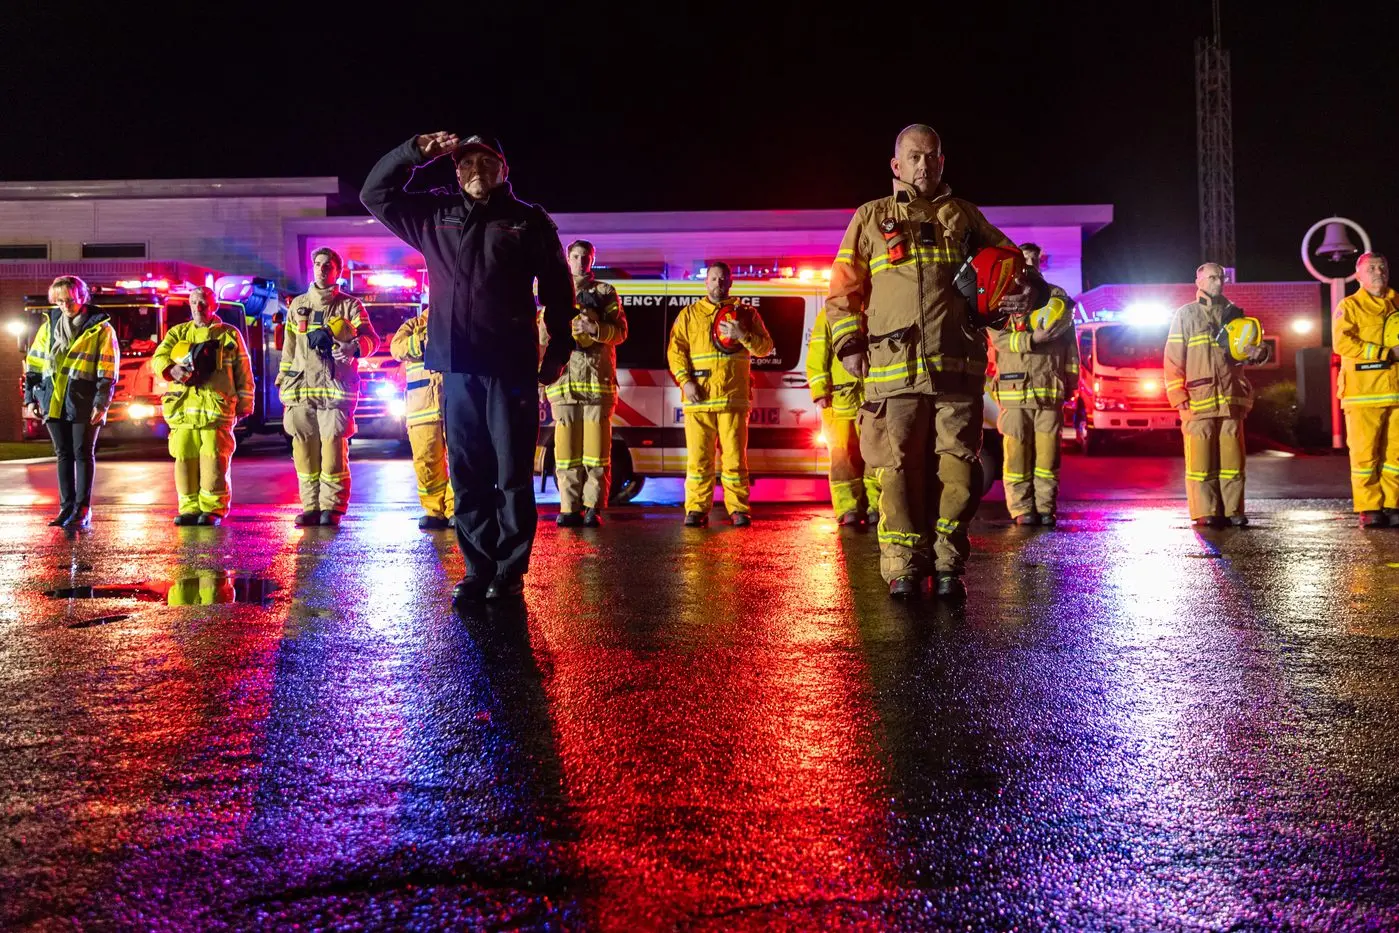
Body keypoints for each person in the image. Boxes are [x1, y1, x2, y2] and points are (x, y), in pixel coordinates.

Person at [361, 131, 575, 603]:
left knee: (512, 473)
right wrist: (413, 153)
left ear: (504, 169)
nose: (476, 170)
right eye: (466, 163)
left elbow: (560, 290)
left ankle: (510, 571)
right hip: (457, 369)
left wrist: (559, 349)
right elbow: (374, 194)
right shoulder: (435, 216)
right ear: (456, 172)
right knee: (467, 471)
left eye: (486, 162)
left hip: (511, 368)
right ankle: (478, 568)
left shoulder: (528, 221)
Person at [824, 124, 1034, 600]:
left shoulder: (965, 217)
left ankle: (947, 566)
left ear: (942, 162)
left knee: (958, 472)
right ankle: (903, 566)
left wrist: (1028, 291)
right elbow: (842, 290)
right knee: (896, 471)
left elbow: (1011, 265)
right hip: (893, 373)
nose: (923, 165)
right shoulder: (871, 217)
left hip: (956, 372)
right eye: (914, 157)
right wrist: (849, 344)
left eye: (931, 156)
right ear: (896, 165)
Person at [277, 247, 379, 527]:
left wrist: (353, 348)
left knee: (333, 452)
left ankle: (332, 507)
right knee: (303, 452)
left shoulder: (350, 306)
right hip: (300, 391)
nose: (322, 269)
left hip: (336, 390)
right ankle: (310, 506)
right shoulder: (298, 305)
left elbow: (372, 340)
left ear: (337, 272)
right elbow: (289, 350)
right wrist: (283, 382)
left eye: (328, 266)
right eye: (318, 264)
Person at [667, 262, 774, 527]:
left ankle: (738, 509)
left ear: (730, 282)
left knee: (735, 459)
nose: (718, 284)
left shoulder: (746, 314)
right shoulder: (689, 315)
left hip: (732, 398)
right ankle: (696, 509)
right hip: (699, 399)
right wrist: (685, 382)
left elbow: (765, 348)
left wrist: (743, 335)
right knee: (699, 459)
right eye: (714, 279)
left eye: (723, 279)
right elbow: (676, 352)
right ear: (706, 282)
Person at [1164, 262, 1265, 528]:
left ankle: (1233, 510)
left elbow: (1249, 350)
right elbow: (1173, 358)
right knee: (1201, 460)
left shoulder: (1235, 314)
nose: (1217, 282)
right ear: (1198, 281)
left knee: (1233, 461)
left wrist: (1259, 353)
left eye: (1221, 277)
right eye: (1211, 277)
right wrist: (1178, 396)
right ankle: (1205, 511)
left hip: (1231, 398)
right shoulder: (1186, 315)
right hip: (1198, 399)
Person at [150, 285, 254, 526]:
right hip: (183, 411)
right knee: (184, 457)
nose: (199, 307)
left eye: (204, 302)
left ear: (214, 306)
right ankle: (189, 508)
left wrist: (245, 404)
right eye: (195, 302)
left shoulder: (229, 335)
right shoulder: (178, 333)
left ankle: (213, 509)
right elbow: (159, 358)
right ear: (189, 304)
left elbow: (243, 372)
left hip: (215, 411)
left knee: (214, 459)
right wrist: (171, 369)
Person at [542, 239, 627, 527]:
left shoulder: (605, 292)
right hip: (563, 385)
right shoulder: (554, 292)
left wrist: (596, 328)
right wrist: (541, 380)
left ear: (593, 260)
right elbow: (541, 337)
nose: (581, 262)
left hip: (596, 386)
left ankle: (592, 507)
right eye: (576, 256)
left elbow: (621, 332)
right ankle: (569, 507)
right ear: (568, 258)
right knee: (565, 454)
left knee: (596, 453)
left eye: (586, 257)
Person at [989, 253, 1079, 525]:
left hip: (1049, 390)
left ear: (1040, 263)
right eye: (1024, 259)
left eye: (1033, 259)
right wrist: (1032, 339)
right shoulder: (1003, 295)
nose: (1029, 264)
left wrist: (1071, 383)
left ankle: (1045, 507)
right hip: (1014, 392)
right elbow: (998, 339)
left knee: (1049, 458)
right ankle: (1021, 509)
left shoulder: (1056, 297)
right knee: (1016, 456)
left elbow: (1070, 346)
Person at [23, 275, 119, 530]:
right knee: (63, 454)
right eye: (59, 301)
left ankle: (82, 509)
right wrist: (31, 398)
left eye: (70, 300)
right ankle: (66, 508)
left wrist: (101, 403)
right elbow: (34, 365)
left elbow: (108, 371)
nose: (65, 305)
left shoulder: (101, 329)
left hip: (84, 401)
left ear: (82, 297)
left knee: (82, 453)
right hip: (53, 400)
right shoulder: (48, 327)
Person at [1333, 251, 1399, 527]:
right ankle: (1369, 507)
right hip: (1362, 394)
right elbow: (1342, 343)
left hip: (1395, 392)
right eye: (1371, 268)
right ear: (1358, 275)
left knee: (1395, 454)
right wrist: (1384, 353)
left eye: (1382, 267)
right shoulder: (1349, 306)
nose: (1378, 272)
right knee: (1365, 454)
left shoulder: (1396, 302)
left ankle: (1393, 504)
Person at [806, 306, 881, 525]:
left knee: (875, 454)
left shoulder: (875, 310)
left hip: (870, 398)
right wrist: (820, 390)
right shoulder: (828, 315)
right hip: (839, 401)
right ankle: (848, 507)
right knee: (842, 458)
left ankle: (876, 505)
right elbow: (818, 353)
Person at [390, 306, 455, 530]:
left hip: (452, 403)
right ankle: (433, 511)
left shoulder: (457, 321)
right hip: (422, 408)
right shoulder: (414, 325)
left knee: (458, 458)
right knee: (426, 461)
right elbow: (397, 348)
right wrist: (425, 341)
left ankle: (456, 509)